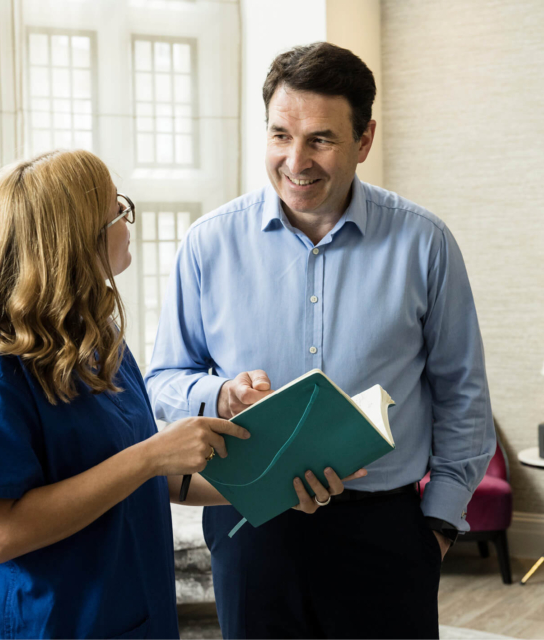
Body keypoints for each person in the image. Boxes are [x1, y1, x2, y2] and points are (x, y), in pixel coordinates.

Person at [145, 42, 495, 639]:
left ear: (364, 140)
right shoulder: (207, 244)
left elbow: (462, 393)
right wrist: (221, 393)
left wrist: (437, 527)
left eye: (321, 140)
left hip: (385, 535)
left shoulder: (426, 244)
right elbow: (163, 383)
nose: (296, 160)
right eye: (281, 135)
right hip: (250, 530)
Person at [0, 149, 254, 639]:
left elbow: (141, 476)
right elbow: (0, 533)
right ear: (75, 241)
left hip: (129, 616)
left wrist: (273, 483)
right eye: (116, 210)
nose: (127, 221)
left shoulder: (94, 340)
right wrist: (151, 455)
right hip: (49, 625)